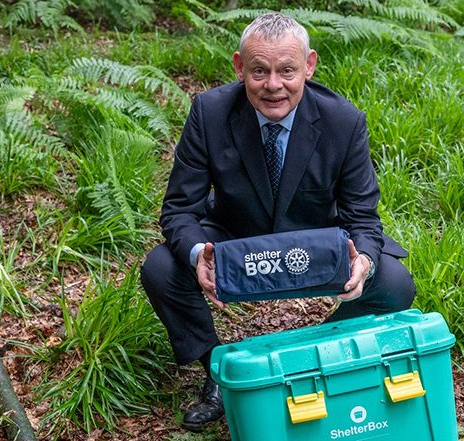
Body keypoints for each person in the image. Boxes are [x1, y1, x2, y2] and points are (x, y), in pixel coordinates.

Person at [140, 12, 416, 433]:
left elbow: (362, 215)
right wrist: (200, 255)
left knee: (394, 283)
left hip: (315, 241)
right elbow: (179, 208)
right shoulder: (209, 112)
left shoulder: (344, 121)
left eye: (287, 70)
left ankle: (310, 360)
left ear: (309, 66)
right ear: (238, 67)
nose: (274, 85)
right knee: (161, 268)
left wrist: (365, 262)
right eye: (259, 71)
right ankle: (219, 371)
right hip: (236, 235)